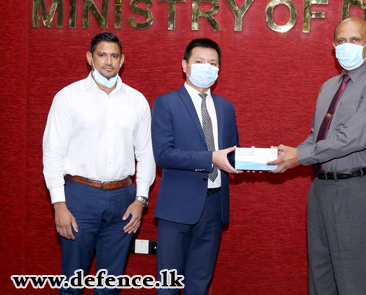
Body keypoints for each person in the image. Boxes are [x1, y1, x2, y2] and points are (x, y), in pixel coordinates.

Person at [270, 16, 366, 295]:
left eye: (355, 40)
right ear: (332, 46)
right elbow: (318, 137)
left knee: (356, 279)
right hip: (321, 189)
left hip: (355, 189)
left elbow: (355, 137)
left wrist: (300, 157)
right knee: (321, 276)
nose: (347, 46)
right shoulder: (329, 86)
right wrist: (286, 155)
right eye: (341, 41)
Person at [42, 32, 155, 295]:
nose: (108, 61)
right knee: (72, 284)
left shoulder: (136, 101)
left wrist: (141, 200)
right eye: (102, 54)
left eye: (114, 55)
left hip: (124, 201)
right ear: (89, 58)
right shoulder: (68, 97)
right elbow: (52, 153)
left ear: (122, 60)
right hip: (79, 198)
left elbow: (147, 155)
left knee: (110, 287)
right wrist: (58, 204)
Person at [152, 38, 240, 295]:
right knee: (168, 286)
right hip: (176, 207)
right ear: (185, 65)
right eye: (199, 62)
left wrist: (260, 160)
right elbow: (163, 155)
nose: (206, 68)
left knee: (199, 284)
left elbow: (231, 153)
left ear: (219, 69)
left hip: (213, 206)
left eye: (212, 63)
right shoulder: (166, 103)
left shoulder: (226, 107)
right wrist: (209, 158)